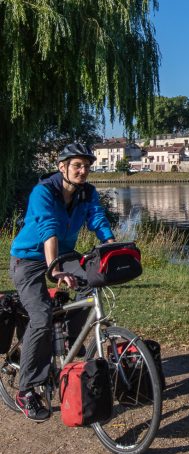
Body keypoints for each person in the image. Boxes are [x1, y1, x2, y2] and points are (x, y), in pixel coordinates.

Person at [9, 142, 115, 421]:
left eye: (87, 166)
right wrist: (54, 269)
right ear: (62, 167)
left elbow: (96, 218)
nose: (83, 171)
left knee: (93, 282)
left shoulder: (87, 193)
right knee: (41, 315)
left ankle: (71, 342)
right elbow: (49, 228)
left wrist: (111, 243)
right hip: (29, 259)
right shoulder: (43, 192)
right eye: (77, 165)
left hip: (64, 254)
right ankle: (27, 388)